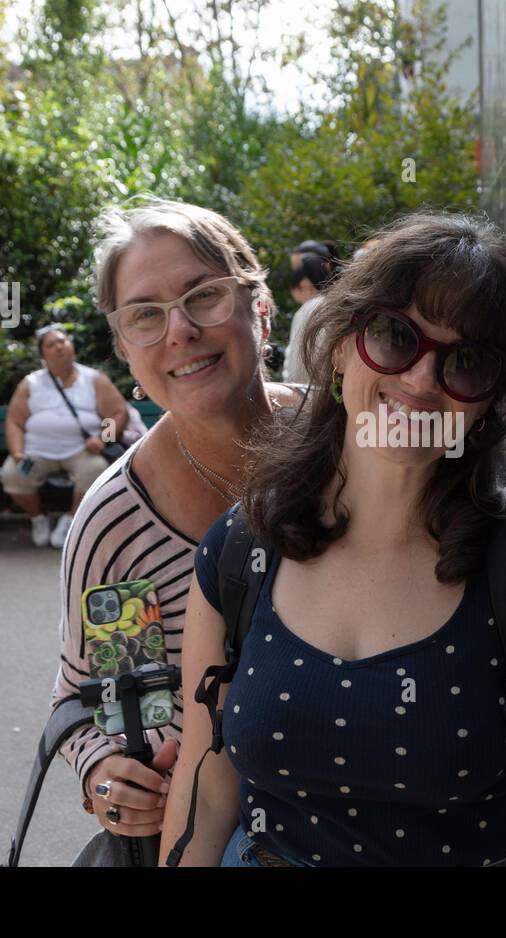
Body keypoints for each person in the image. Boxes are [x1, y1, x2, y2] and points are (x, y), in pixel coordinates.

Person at [159, 212, 506, 867]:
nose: (421, 381)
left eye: (466, 360)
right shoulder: (240, 552)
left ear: (492, 400)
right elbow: (208, 786)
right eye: (395, 336)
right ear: (341, 347)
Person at [50, 197, 304, 844]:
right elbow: (101, 699)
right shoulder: (119, 524)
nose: (179, 331)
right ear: (125, 351)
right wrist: (105, 776)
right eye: (145, 315)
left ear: (262, 309)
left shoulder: (345, 450)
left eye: (204, 297)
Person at [0, 324, 129, 548]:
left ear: (72, 347)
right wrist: (18, 453)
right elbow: (14, 421)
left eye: (63, 341)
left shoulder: (94, 379)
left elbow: (118, 413)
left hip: (81, 450)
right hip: (36, 451)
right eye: (51, 344)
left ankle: (70, 520)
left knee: (96, 470)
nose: (59, 347)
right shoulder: (30, 384)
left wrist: (103, 438)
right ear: (43, 355)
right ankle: (38, 518)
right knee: (14, 474)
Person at [281, 239, 339, 384]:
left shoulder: (312, 309)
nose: (300, 279)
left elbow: (296, 372)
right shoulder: (341, 302)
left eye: (302, 270)